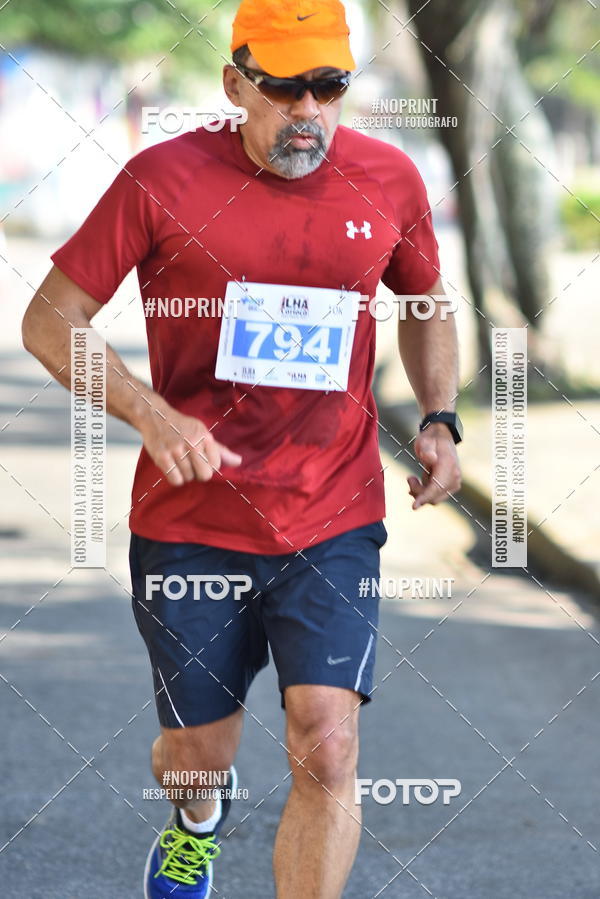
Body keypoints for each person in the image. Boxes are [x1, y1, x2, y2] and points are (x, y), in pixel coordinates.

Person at [22, 0, 462, 895]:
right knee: (196, 755)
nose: (309, 109)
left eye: (329, 87)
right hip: (191, 521)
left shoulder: (389, 179)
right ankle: (196, 819)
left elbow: (425, 302)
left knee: (328, 743)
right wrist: (150, 413)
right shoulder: (162, 179)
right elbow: (48, 320)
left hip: (332, 513)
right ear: (235, 84)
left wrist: (440, 416)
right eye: (286, 87)